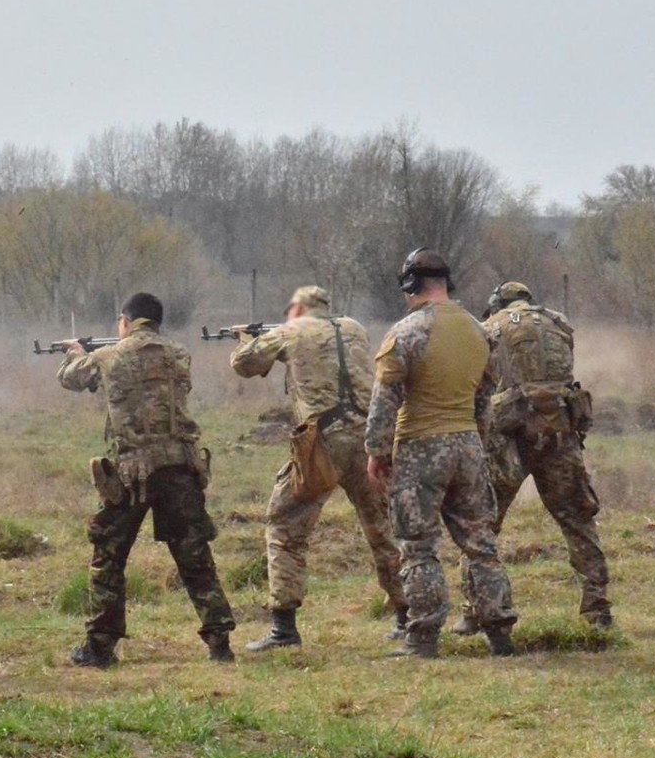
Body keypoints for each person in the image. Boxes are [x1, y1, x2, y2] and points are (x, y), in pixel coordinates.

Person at [60, 292, 236, 668]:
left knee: (108, 557)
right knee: (195, 556)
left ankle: (100, 647)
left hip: (132, 472)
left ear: (125, 321)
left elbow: (71, 379)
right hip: (181, 468)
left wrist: (75, 352)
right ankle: (220, 642)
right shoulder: (179, 354)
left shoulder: (108, 356)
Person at [230, 285, 405, 650]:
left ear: (297, 309)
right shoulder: (355, 327)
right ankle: (408, 617)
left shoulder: (290, 331)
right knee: (384, 528)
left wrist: (246, 339)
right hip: (367, 440)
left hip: (321, 445)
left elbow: (244, 365)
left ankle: (283, 628)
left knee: (285, 527)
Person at [364, 250, 518, 659]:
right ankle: (499, 633)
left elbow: (385, 399)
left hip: (419, 447)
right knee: (480, 543)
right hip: (467, 445)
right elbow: (487, 395)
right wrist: (476, 440)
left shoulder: (408, 331)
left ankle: (423, 638)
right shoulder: (478, 330)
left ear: (411, 285)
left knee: (417, 545)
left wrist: (377, 452)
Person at [468, 282, 612, 630]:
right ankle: (597, 608)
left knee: (481, 523)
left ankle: (476, 611)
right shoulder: (559, 323)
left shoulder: (488, 327)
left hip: (508, 435)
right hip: (559, 432)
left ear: (495, 304)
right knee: (578, 520)